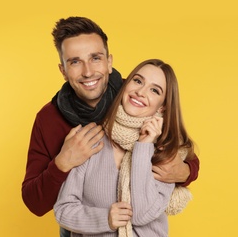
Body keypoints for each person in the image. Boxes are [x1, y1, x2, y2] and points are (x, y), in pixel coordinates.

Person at [21, 17, 199, 236]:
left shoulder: (133, 95)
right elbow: (36, 203)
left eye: (95, 58)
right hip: (83, 223)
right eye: (75, 62)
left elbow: (177, 148)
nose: (88, 72)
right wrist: (63, 162)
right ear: (63, 70)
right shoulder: (50, 119)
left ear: (109, 61)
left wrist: (185, 171)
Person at [54, 59, 196, 236]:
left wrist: (144, 146)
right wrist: (104, 218)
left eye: (154, 90)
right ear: (125, 85)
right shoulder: (90, 140)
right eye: (137, 81)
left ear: (163, 107)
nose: (140, 92)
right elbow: (63, 210)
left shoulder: (166, 152)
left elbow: (141, 214)